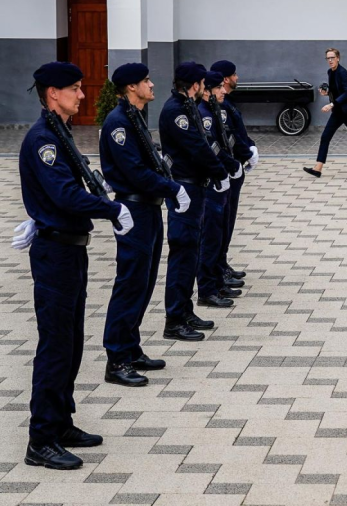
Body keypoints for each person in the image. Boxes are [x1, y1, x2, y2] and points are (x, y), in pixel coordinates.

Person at [12, 62, 130, 470]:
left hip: (69, 249)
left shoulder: (58, 132)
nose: (82, 95)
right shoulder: (44, 139)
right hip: (55, 254)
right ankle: (40, 439)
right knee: (56, 346)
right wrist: (111, 208)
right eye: (75, 89)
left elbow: (60, 190)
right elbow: (64, 194)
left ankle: (61, 422)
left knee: (72, 342)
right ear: (53, 94)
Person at [99, 63, 187, 388]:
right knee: (130, 282)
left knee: (145, 281)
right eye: (146, 81)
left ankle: (131, 348)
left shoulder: (134, 117)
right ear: (131, 88)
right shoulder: (118, 123)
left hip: (149, 209)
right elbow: (135, 172)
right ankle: (116, 358)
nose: (152, 84)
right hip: (133, 210)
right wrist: (173, 188)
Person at [159, 62, 229, 343]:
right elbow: (197, 147)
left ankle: (184, 311)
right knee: (182, 253)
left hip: (195, 188)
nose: (205, 87)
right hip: (184, 190)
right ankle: (174, 319)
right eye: (202, 82)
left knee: (190, 254)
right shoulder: (176, 110)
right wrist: (220, 171)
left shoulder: (186, 106)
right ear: (194, 84)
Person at [196, 71, 244, 310]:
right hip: (211, 183)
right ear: (206, 91)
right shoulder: (204, 113)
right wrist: (228, 167)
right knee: (211, 237)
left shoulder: (214, 109)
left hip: (220, 179)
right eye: (218, 88)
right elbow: (211, 148)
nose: (223, 91)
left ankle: (216, 281)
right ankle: (207, 288)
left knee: (219, 233)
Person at [212, 59, 256, 285]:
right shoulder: (219, 106)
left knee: (227, 220)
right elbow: (226, 138)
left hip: (234, 166)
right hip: (228, 169)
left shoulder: (226, 103)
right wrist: (245, 153)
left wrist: (250, 146)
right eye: (234, 75)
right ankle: (218, 268)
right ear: (226, 78)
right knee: (222, 221)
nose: (237, 78)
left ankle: (222, 263)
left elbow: (238, 132)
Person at [304, 48, 347, 178]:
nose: (330, 60)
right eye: (328, 58)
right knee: (325, 136)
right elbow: (335, 90)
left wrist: (331, 104)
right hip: (337, 111)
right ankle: (318, 168)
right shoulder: (330, 72)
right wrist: (326, 92)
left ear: (338, 58)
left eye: (332, 58)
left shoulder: (343, 72)